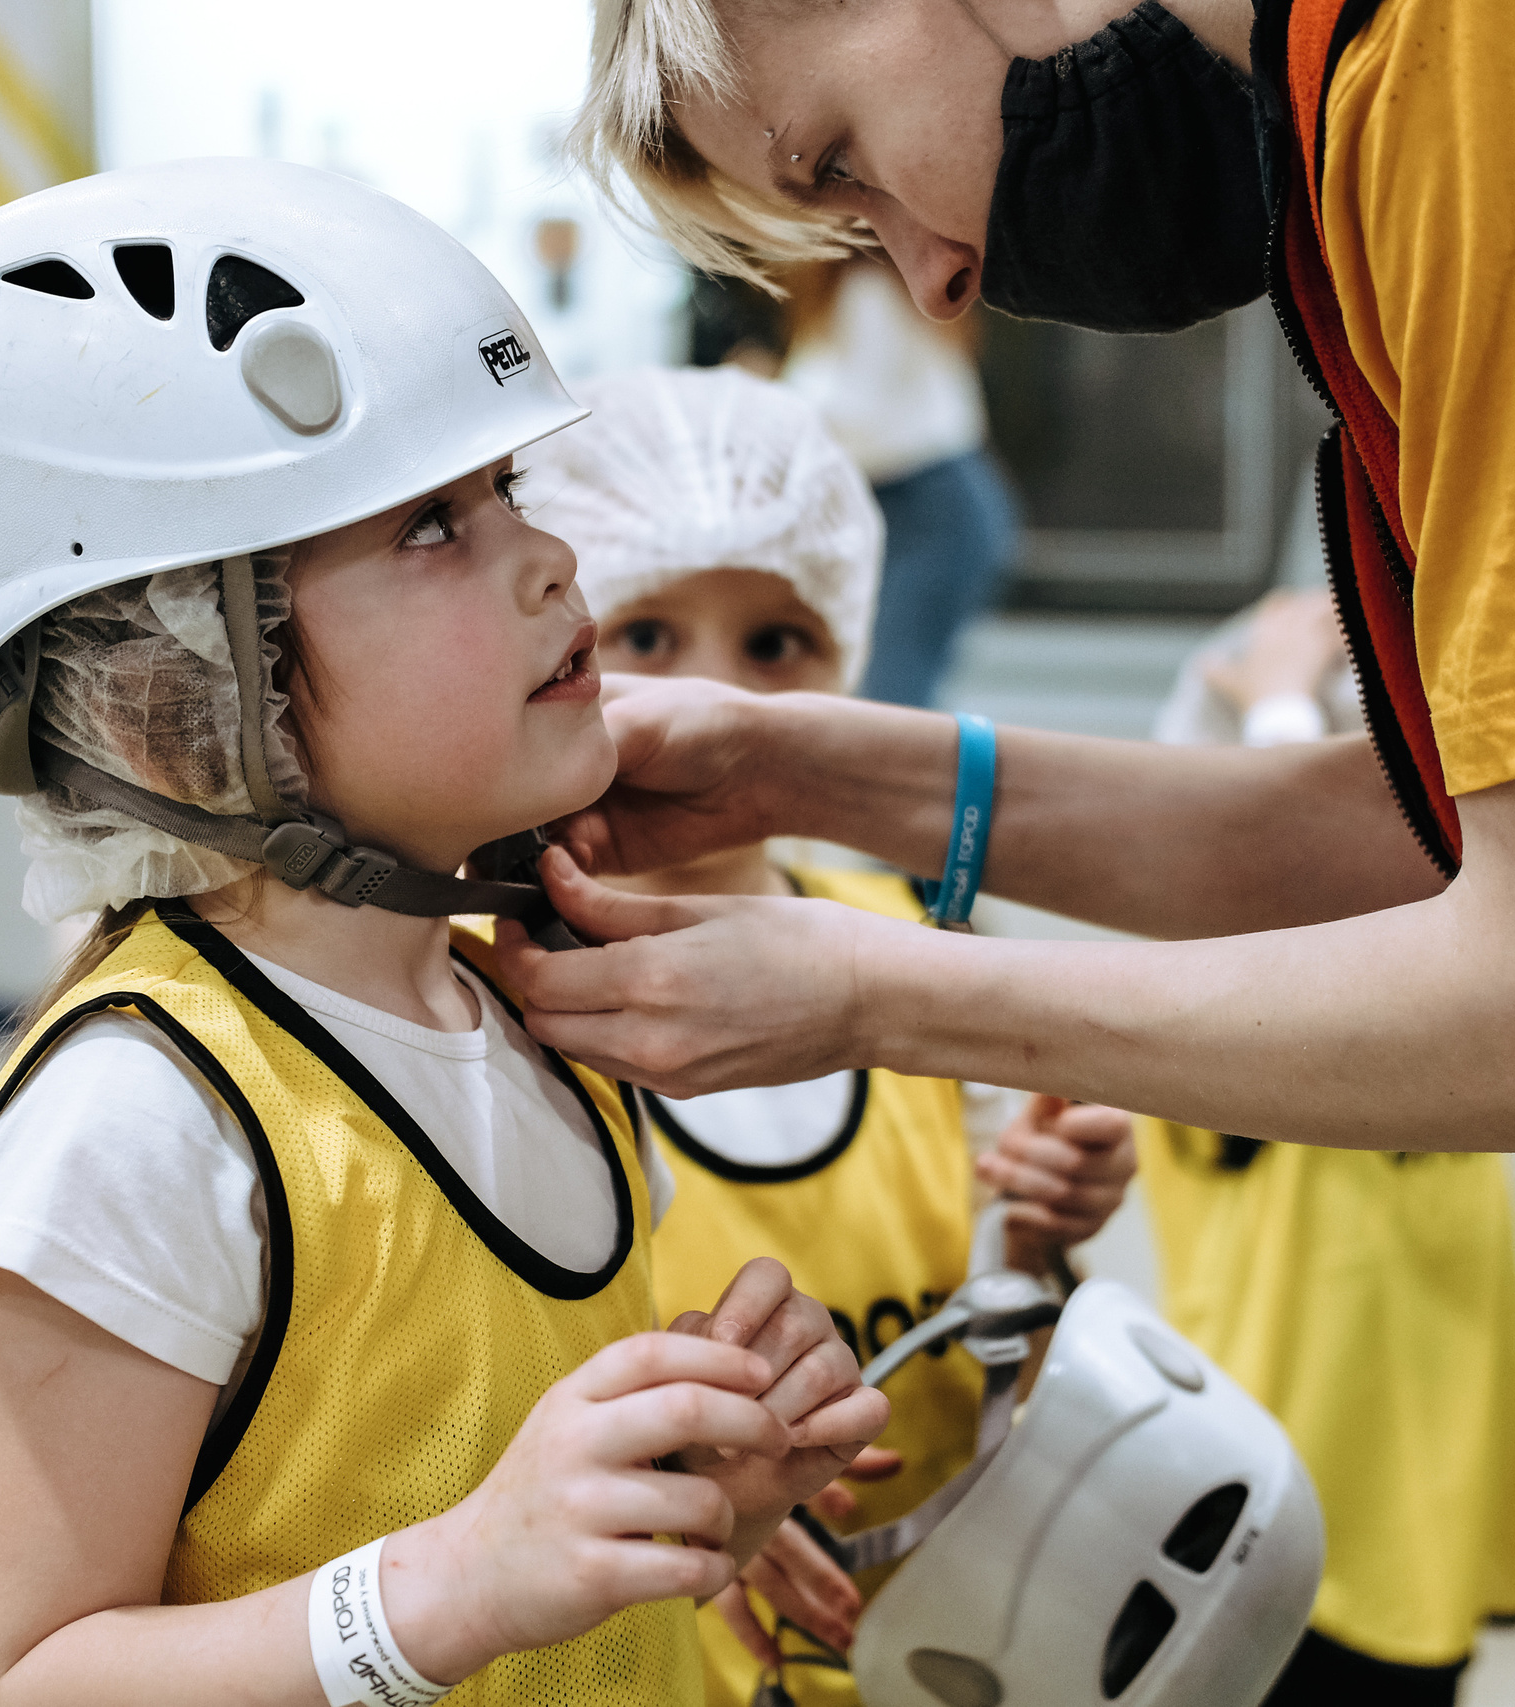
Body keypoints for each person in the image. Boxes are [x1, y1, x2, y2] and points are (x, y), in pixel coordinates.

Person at [530, 1, 1515, 1698]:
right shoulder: (1376, 119)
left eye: (846, 162)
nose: (927, 278)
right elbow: (1447, 828)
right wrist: (823, 774)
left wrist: (869, 988)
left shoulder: (1504, 52)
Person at [0, 160, 885, 1705]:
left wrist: (680, 1486)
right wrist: (445, 1584)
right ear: (180, 686)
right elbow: (10, 1677)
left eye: (507, 493)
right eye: (425, 526)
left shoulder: (524, 1001)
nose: (551, 558)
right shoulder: (140, 1124)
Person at [523, 363, 1133, 1702]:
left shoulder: (913, 953)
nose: (715, 699)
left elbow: (1001, 1336)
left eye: (776, 645)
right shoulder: (486, 995)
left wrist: (1042, 1228)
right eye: (645, 635)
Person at [1140, 586, 1515, 1706]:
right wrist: (1278, 700)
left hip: (1408, 1523)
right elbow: (1299, 887)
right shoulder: (1218, 1024)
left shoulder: (1454, 1018)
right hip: (1267, 1536)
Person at [774, 257, 1020, 710]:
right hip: (918, 505)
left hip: (930, 507)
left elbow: (858, 416)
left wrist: (764, 403)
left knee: (891, 694)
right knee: (886, 689)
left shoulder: (869, 290)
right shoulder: (865, 292)